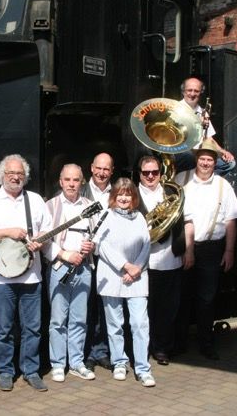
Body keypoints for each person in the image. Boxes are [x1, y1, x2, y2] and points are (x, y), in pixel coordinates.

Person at [0, 154, 51, 392]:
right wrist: (8, 232)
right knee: (5, 328)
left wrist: (41, 242)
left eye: (20, 174)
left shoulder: (35, 200)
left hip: (32, 276)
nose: (15, 177)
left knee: (32, 327)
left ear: (25, 177)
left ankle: (31, 371)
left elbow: (48, 230)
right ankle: (5, 372)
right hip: (1, 277)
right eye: (11, 173)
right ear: (2, 176)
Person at [174, 140, 237, 360]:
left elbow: (231, 221)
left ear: (215, 162)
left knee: (206, 300)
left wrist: (229, 251)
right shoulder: (181, 179)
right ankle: (179, 343)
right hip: (185, 247)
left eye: (210, 159)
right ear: (197, 159)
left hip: (212, 249)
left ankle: (206, 344)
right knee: (182, 298)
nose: (205, 163)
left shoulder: (224, 185)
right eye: (202, 158)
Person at [94, 178, 155, 387]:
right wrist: (125, 266)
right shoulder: (105, 215)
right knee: (114, 325)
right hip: (112, 277)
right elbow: (101, 246)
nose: (123, 198)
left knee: (139, 324)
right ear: (113, 196)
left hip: (137, 277)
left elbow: (146, 245)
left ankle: (142, 368)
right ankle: (119, 362)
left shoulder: (139, 218)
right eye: (120, 194)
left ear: (133, 197)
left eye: (128, 194)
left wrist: (136, 268)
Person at [46, 164, 97, 382]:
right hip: (60, 267)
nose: (71, 184)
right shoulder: (50, 206)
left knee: (79, 318)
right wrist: (65, 255)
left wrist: (91, 246)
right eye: (67, 180)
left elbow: (98, 236)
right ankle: (58, 363)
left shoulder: (91, 206)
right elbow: (44, 241)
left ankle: (76, 362)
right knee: (58, 319)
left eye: (76, 180)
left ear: (81, 182)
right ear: (60, 181)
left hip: (84, 267)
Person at [137, 155, 185, 366]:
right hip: (142, 262)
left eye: (154, 172)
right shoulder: (132, 195)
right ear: (139, 174)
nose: (150, 176)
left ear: (160, 173)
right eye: (146, 173)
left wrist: (187, 250)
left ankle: (162, 348)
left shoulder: (171, 193)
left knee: (167, 308)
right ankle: (142, 348)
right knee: (143, 310)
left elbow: (185, 221)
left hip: (169, 261)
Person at [81, 152, 114, 372]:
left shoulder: (119, 192)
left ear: (111, 171)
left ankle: (101, 351)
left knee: (105, 307)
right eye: (98, 168)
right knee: (86, 307)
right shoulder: (80, 190)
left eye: (106, 169)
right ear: (92, 168)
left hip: (110, 258)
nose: (102, 173)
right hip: (85, 257)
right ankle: (86, 353)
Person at [176, 76, 236, 175]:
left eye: (196, 91)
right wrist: (197, 125)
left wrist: (223, 152)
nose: (192, 94)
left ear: (200, 93)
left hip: (199, 154)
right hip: (183, 152)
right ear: (183, 92)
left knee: (229, 164)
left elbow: (209, 138)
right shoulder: (176, 108)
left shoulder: (202, 111)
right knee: (189, 157)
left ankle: (203, 180)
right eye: (189, 90)